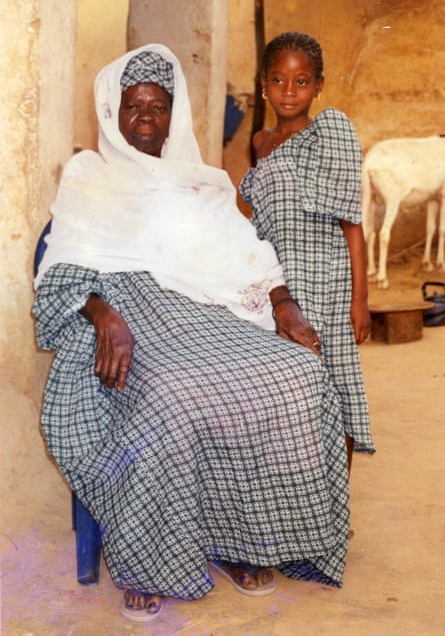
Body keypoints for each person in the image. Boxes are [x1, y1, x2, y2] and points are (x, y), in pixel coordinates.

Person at [33, 43, 351, 623]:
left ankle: (242, 541)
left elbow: (246, 253)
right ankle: (149, 561)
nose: (146, 118)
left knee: (297, 374)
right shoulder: (89, 175)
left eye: (158, 106)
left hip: (208, 312)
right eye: (133, 106)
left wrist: (284, 306)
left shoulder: (201, 182)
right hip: (131, 314)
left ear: (173, 113)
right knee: (170, 393)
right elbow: (64, 266)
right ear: (113, 112)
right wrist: (104, 315)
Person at [240, 32, 375, 470]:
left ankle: (337, 511)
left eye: (301, 82)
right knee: (287, 399)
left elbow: (351, 223)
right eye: (279, 80)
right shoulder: (260, 144)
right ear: (264, 82)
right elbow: (254, 215)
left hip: (328, 284)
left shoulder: (330, 132)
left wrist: (360, 299)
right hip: (280, 287)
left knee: (335, 394)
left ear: (319, 85)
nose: (289, 91)